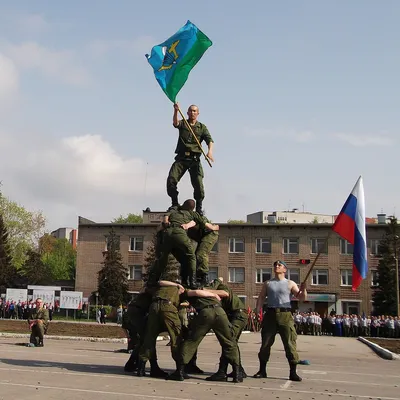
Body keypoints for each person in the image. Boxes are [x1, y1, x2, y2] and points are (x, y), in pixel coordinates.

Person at [167, 288, 242, 383]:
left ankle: (180, 371)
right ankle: (237, 373)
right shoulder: (209, 292)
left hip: (206, 313)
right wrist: (214, 295)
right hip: (220, 312)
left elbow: (195, 292)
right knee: (229, 342)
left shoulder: (187, 291)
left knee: (192, 341)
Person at [254, 260, 307, 382]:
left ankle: (293, 372)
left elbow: (302, 298)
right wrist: (258, 310)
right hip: (270, 315)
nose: (276, 266)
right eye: (275, 265)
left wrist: (303, 289)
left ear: (285, 270)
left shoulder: (290, 283)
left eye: (279, 265)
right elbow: (262, 297)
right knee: (265, 344)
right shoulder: (268, 283)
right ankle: (262, 370)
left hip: (285, 315)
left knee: (290, 343)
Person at [147, 199, 218, 289]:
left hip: (167, 234)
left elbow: (165, 220)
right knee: (191, 257)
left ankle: (152, 280)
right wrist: (215, 227)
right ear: (192, 208)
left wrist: (168, 225)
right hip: (179, 233)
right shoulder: (193, 214)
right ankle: (192, 282)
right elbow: (206, 224)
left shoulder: (174, 212)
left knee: (162, 259)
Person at [167, 103, 214, 215]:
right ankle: (174, 204)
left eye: (194, 111)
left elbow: (210, 140)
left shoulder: (202, 127)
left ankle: (198, 208)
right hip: (182, 158)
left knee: (198, 183)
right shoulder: (183, 123)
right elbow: (175, 123)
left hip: (194, 160)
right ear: (187, 112)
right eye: (190, 111)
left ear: (198, 113)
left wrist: (210, 151)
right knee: (171, 180)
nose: (192, 113)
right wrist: (176, 111)